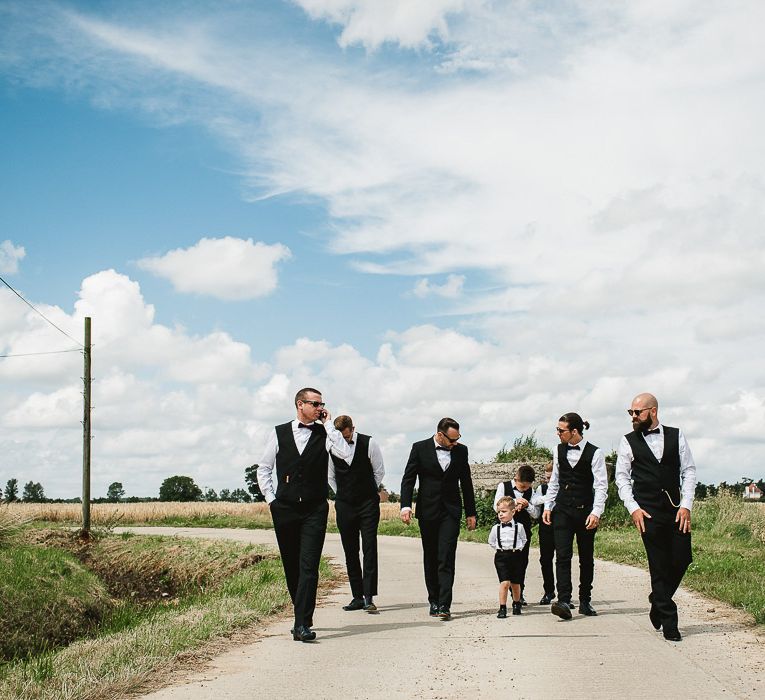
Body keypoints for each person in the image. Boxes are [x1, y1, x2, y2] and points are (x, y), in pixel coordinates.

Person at [257, 387, 351, 642]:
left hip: (314, 508)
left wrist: (329, 425)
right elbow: (264, 468)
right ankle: (302, 616)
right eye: (316, 404)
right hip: (284, 508)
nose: (321, 408)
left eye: (322, 404)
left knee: (309, 565)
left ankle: (301, 623)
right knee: (292, 566)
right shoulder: (278, 433)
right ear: (300, 404)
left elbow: (346, 455)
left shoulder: (326, 433)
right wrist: (272, 500)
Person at [615, 393, 696, 642]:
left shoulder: (676, 435)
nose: (633, 417)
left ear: (652, 411)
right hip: (647, 512)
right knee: (659, 564)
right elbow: (622, 478)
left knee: (683, 558)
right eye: (631, 413)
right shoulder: (627, 441)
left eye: (637, 412)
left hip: (675, 509)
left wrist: (686, 505)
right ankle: (670, 621)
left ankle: (658, 600)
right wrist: (633, 508)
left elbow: (689, 471)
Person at [400, 417, 477, 621]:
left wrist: (471, 512)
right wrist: (405, 506)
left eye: (458, 439)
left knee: (447, 555)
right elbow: (408, 479)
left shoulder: (461, 451)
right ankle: (433, 600)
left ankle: (444, 604)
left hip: (451, 511)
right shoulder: (419, 448)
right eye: (452, 440)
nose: (455, 444)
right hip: (427, 510)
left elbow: (466, 482)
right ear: (440, 435)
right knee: (431, 556)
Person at [542, 412, 607, 620]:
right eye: (557, 430)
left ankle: (585, 600)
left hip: (585, 510)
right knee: (562, 556)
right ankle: (563, 600)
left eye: (561, 431)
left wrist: (596, 512)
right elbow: (554, 481)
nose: (558, 434)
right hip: (562, 509)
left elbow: (601, 486)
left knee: (586, 558)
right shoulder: (557, 450)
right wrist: (548, 506)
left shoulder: (595, 453)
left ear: (575, 431)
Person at [329, 414, 385, 613]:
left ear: (353, 428)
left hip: (368, 504)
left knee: (369, 548)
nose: (345, 441)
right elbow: (330, 477)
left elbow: (379, 471)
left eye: (347, 436)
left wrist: (368, 491)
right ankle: (357, 596)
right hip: (345, 505)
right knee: (350, 550)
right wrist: (344, 494)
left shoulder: (370, 443)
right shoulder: (331, 447)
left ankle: (369, 597)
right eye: (341, 438)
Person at [493, 464, 539, 605]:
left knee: (521, 563)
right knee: (505, 563)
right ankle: (506, 594)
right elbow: (496, 506)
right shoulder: (503, 486)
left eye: (526, 487)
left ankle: (519, 594)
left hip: (522, 534)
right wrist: (513, 503)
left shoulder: (533, 492)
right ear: (516, 478)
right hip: (505, 533)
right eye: (521, 486)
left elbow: (537, 514)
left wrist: (527, 505)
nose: (523, 489)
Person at [488, 496, 528, 618]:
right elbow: (491, 541)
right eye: (499, 512)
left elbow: (524, 539)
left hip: (516, 556)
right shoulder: (496, 528)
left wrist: (518, 548)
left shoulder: (519, 527)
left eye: (504, 511)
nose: (500, 514)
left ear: (513, 511)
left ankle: (516, 603)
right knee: (504, 582)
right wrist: (500, 549)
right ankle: (502, 607)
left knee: (516, 583)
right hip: (501, 557)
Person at [533, 461, 556, 605]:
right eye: (547, 478)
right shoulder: (543, 488)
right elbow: (534, 501)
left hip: (562, 526)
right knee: (545, 560)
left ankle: (565, 594)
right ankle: (549, 591)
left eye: (550, 478)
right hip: (545, 528)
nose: (548, 481)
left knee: (562, 560)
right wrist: (550, 497)